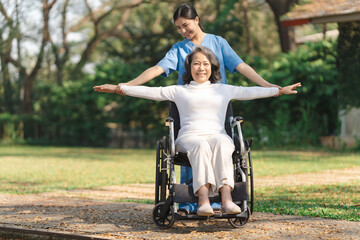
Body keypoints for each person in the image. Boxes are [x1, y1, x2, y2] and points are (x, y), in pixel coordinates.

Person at [94, 46, 301, 216]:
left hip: (218, 135)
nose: (201, 68)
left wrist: (278, 90)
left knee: (223, 143)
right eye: (196, 64)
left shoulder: (223, 89)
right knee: (201, 145)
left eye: (205, 64)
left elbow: (252, 91)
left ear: (212, 67)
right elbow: (149, 92)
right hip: (189, 138)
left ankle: (227, 200)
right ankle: (203, 201)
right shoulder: (178, 90)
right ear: (189, 67)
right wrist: (119, 88)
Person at [116, 3, 279, 214]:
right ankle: (189, 203)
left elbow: (242, 66)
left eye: (185, 25)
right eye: (178, 28)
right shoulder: (178, 49)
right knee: (195, 148)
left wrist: (271, 87)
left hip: (217, 105)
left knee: (223, 145)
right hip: (188, 107)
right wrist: (128, 86)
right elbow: (157, 70)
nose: (183, 31)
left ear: (197, 19)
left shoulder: (218, 43)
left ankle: (222, 200)